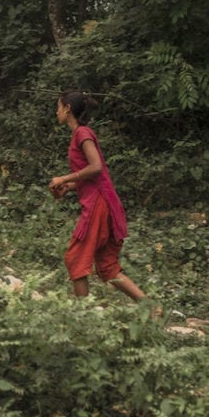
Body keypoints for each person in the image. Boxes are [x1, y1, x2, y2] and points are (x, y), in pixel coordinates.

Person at [48, 90, 147, 302]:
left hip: (98, 205)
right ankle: (151, 306)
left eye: (58, 107)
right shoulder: (80, 134)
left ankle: (83, 317)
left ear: (67, 109)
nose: (56, 112)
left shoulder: (82, 134)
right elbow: (90, 176)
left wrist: (64, 178)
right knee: (108, 267)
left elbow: (96, 167)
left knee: (75, 257)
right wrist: (71, 186)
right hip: (102, 201)